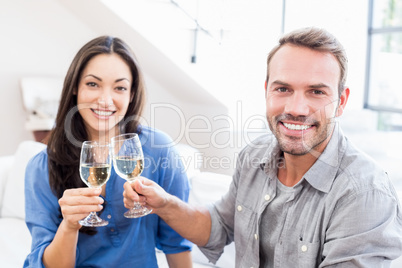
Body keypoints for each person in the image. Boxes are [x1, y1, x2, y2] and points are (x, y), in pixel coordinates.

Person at [123, 27, 402, 267]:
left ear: (341, 101)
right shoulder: (254, 156)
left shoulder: (365, 194)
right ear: (267, 89)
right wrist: (163, 204)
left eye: (316, 92)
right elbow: (218, 226)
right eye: (283, 89)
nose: (296, 108)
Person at [24, 36, 193, 268]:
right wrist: (70, 225)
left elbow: (177, 243)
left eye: (120, 87)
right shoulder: (42, 165)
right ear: (75, 86)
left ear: (131, 94)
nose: (105, 100)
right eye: (93, 84)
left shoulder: (158, 149)